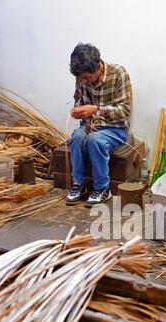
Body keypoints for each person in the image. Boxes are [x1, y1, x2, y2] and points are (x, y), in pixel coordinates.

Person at [66, 43, 132, 206]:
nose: (83, 81)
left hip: (115, 129)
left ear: (98, 66)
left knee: (95, 139)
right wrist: (78, 111)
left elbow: (125, 111)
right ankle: (78, 184)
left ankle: (102, 188)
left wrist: (96, 110)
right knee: (77, 138)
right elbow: (81, 102)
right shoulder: (81, 76)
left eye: (86, 77)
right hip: (89, 126)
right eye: (80, 78)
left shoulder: (118, 74)